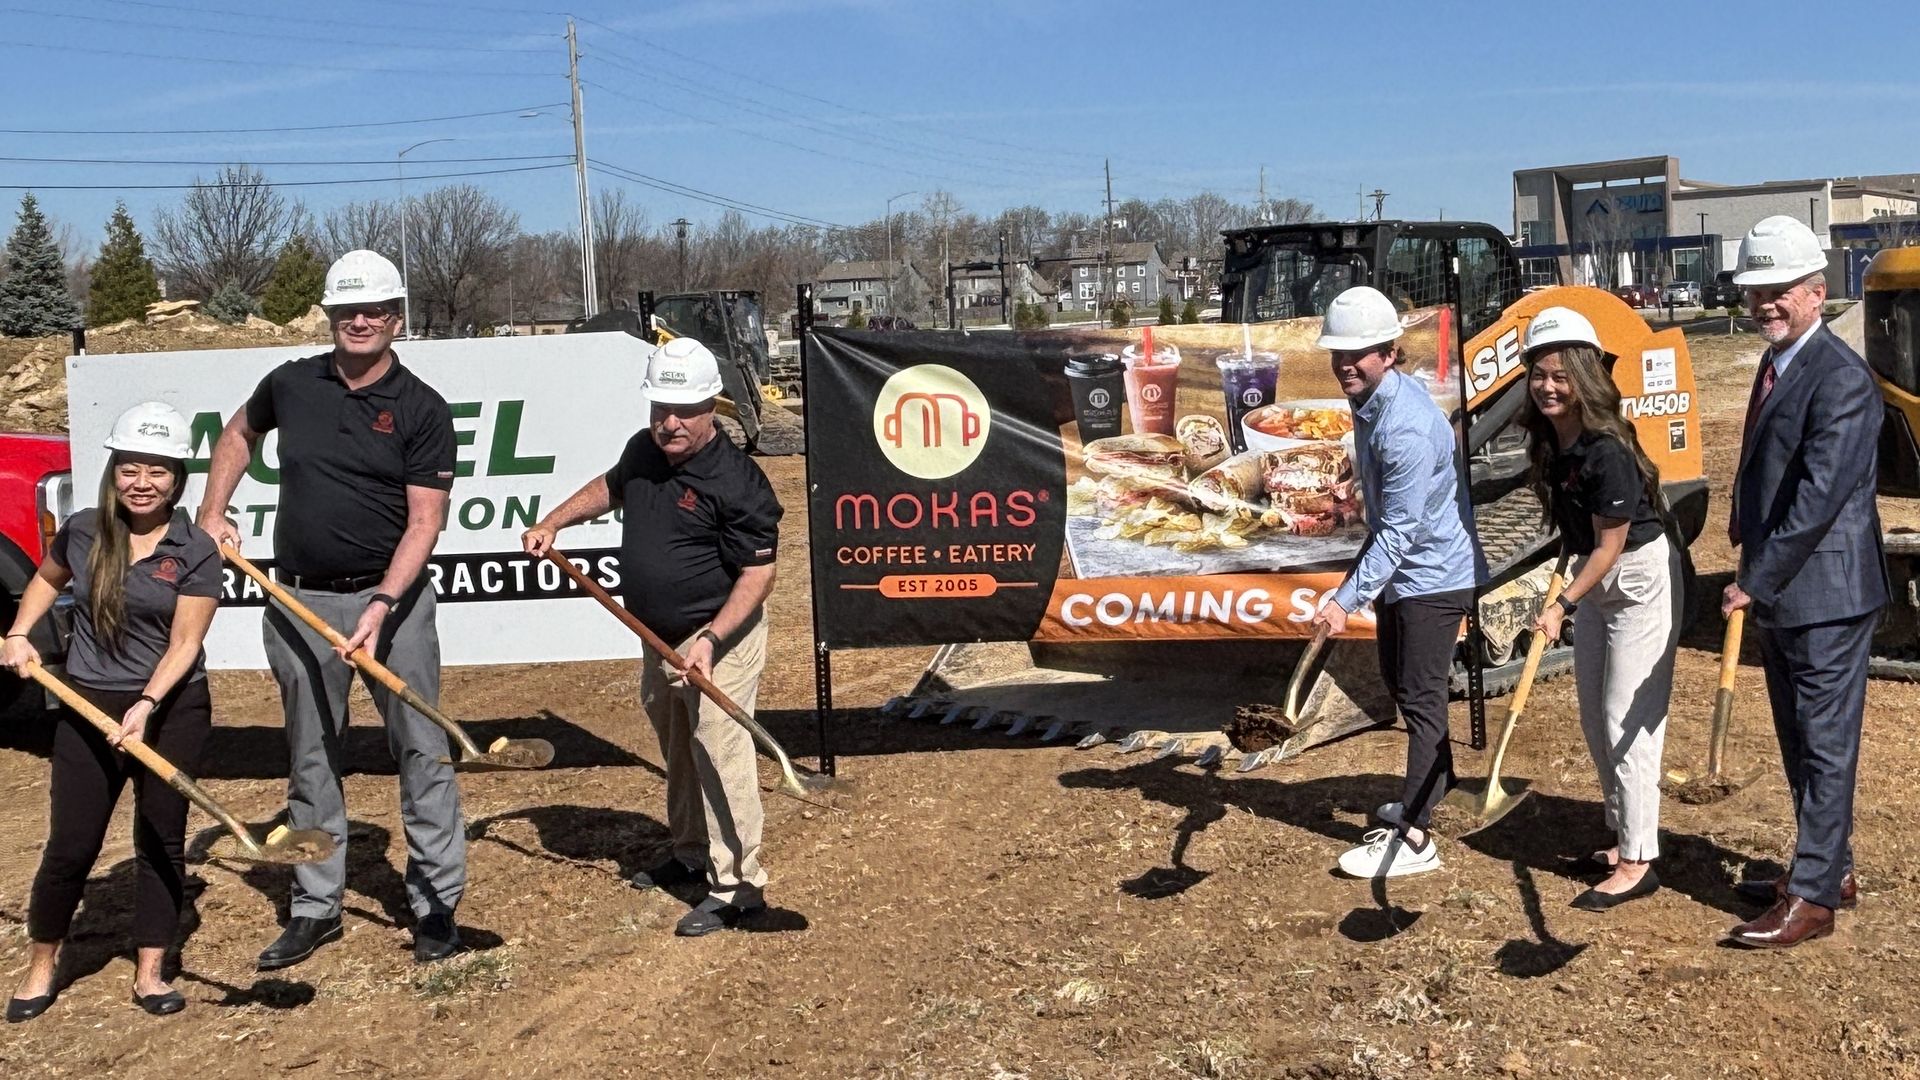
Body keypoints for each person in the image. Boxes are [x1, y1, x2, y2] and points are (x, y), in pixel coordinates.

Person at [196, 249, 465, 969]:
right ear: (331, 315)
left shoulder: (422, 409)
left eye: (374, 310)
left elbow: (424, 524)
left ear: (396, 320)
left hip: (396, 606)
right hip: (298, 598)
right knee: (312, 758)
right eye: (348, 310)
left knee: (423, 751)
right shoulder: (290, 384)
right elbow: (236, 435)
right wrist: (211, 510)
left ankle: (436, 903)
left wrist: (382, 605)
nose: (360, 321)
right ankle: (317, 905)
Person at [523, 337, 783, 936]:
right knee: (678, 746)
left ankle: (739, 886)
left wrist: (712, 641)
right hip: (656, 636)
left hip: (720, 637)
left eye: (684, 410)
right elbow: (612, 485)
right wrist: (553, 521)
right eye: (659, 407)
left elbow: (759, 573)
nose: (669, 423)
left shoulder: (739, 482)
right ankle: (691, 853)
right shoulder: (643, 449)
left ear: (712, 406)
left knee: (719, 749)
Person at [3, 403, 220, 1021]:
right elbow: (47, 577)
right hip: (87, 703)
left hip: (171, 705)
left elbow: (185, 643)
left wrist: (147, 705)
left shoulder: (196, 549)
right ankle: (43, 963)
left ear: (177, 478)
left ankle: (151, 971)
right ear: (113, 471)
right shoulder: (82, 529)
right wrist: (20, 630)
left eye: (156, 470)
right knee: (71, 845)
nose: (142, 482)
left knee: (159, 839)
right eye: (129, 468)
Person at [1722, 216, 1888, 948]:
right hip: (1787, 588)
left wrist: (1754, 579)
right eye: (1756, 290)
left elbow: (1819, 498)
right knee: (1799, 739)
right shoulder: (1778, 364)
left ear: (1818, 293)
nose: (1766, 303)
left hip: (1827, 593)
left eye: (1780, 290)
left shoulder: (1842, 380)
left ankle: (1815, 896)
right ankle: (1830, 866)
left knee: (1824, 743)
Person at [1311, 286, 1483, 878]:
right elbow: (1386, 523)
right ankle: (1433, 783)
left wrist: (1344, 599)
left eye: (1358, 352)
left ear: (1388, 351)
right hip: (1401, 569)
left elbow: (1400, 532)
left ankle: (1414, 835)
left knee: (1420, 693)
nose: (1344, 365)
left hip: (1432, 576)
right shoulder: (1373, 403)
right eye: (1338, 353)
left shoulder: (1404, 428)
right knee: (1399, 682)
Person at [1519, 307, 1681, 911]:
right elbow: (1581, 535)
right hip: (1596, 577)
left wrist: (1561, 601)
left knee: (1626, 720)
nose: (1548, 386)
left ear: (1585, 375)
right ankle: (1621, 836)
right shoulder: (1552, 441)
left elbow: (1612, 543)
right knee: (1594, 715)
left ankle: (1640, 862)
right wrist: (1563, 583)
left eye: (1560, 374)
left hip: (1637, 578)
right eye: (1539, 374)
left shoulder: (1606, 447)